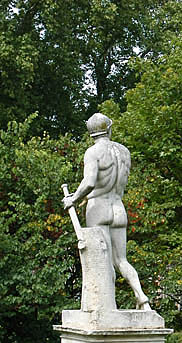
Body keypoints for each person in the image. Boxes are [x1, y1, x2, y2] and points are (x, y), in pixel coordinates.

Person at [63, 113, 151, 310]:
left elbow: (90, 182)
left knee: (103, 262)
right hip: (118, 208)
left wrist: (73, 199)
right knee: (121, 260)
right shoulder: (124, 152)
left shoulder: (93, 152)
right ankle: (142, 298)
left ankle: (105, 308)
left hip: (98, 208)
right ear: (109, 128)